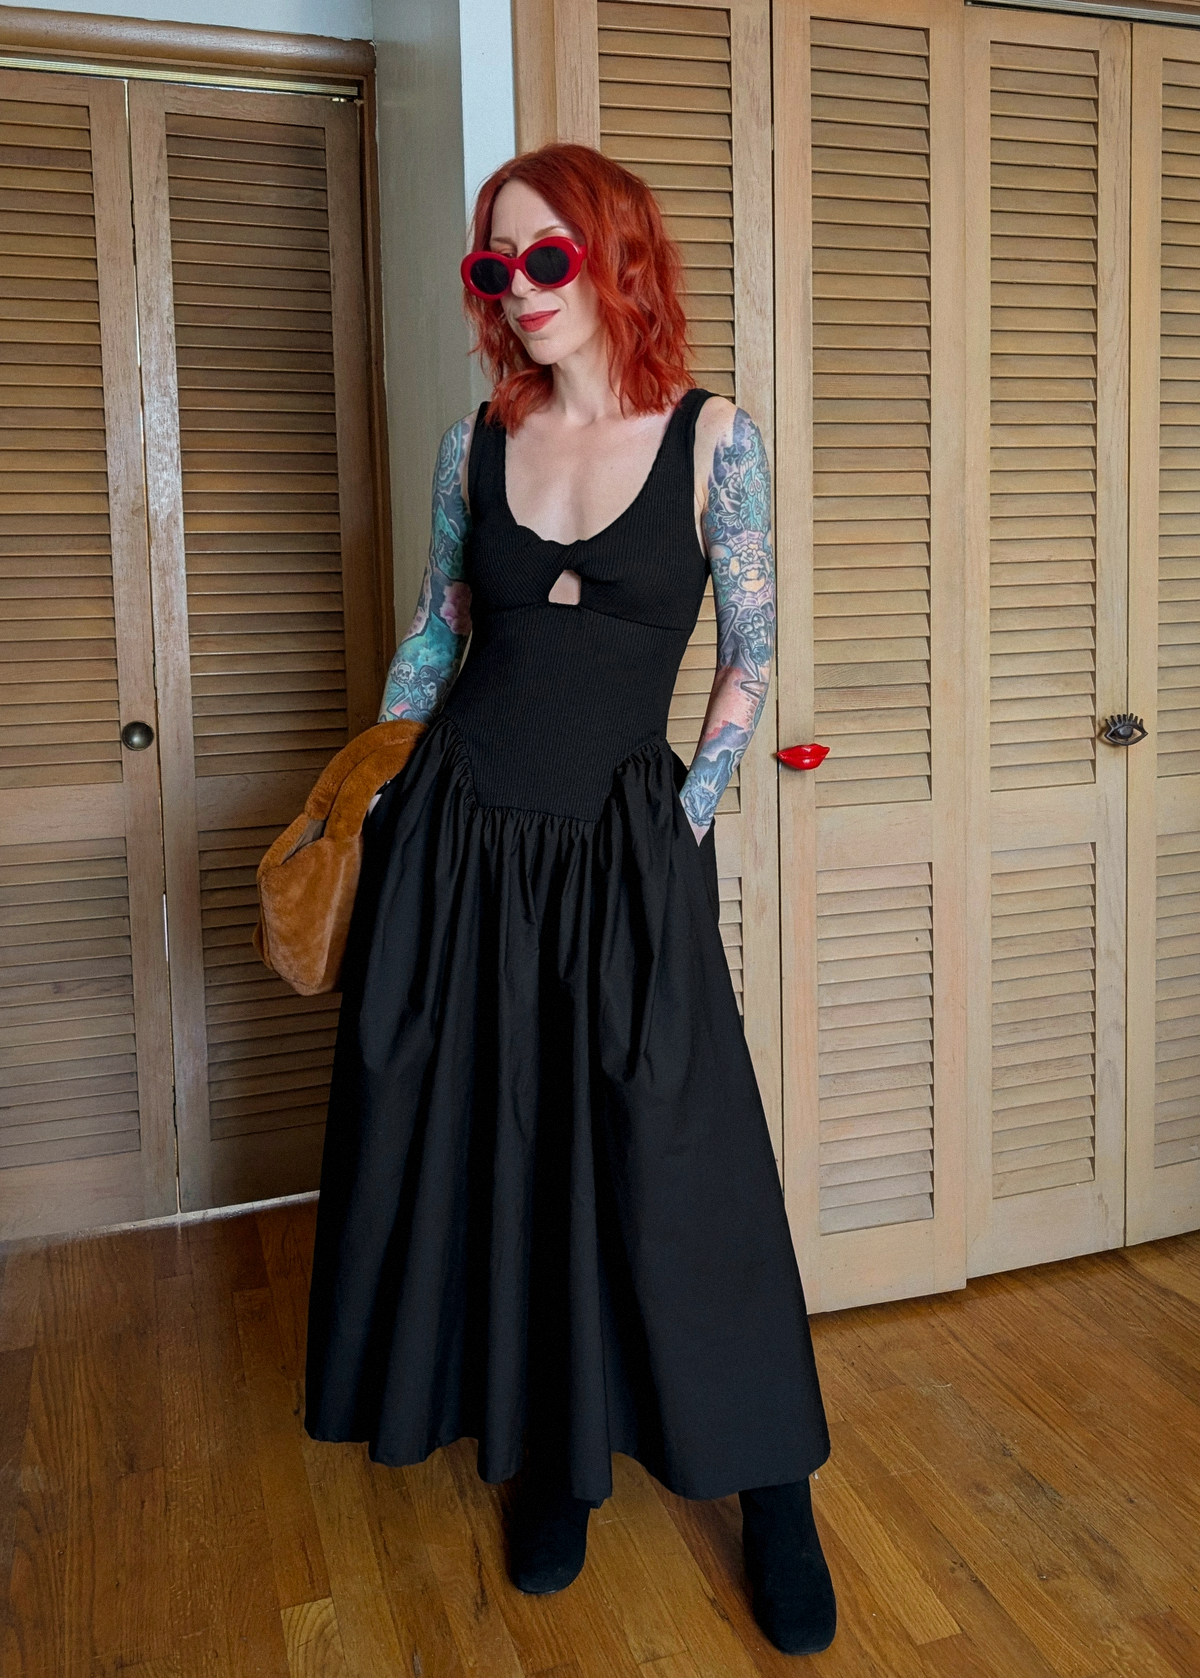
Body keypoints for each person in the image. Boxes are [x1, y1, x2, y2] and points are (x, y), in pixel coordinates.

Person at [303, 142, 836, 1657]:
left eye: (547, 256)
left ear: (614, 256)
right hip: (463, 840)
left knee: (691, 1174)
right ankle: (554, 1466)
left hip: (621, 844)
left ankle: (774, 1487)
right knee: (506, 1149)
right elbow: (435, 630)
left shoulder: (716, 437)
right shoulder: (479, 443)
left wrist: (686, 810)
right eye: (496, 266)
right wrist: (372, 791)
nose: (521, 289)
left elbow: (748, 649)